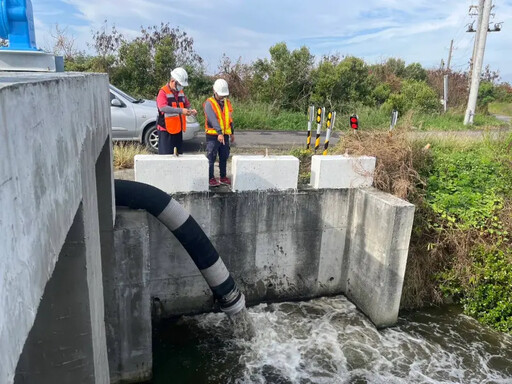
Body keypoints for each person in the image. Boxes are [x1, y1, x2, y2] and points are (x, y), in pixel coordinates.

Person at [156, 67, 197, 154]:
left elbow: (187, 104)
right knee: (166, 157)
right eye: (179, 84)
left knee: (178, 156)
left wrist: (191, 111)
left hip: (177, 129)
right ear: (173, 81)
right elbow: (162, 107)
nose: (181, 87)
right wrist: (181, 111)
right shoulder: (163, 92)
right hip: (165, 131)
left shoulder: (181, 92)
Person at [203, 78, 235, 187]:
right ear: (214, 91)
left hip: (225, 135)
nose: (222, 97)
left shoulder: (227, 103)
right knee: (211, 156)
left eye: (224, 95)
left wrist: (232, 133)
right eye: (220, 95)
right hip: (213, 135)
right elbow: (212, 119)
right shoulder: (209, 103)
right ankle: (210, 178)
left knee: (224, 156)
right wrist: (219, 133)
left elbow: (230, 119)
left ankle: (223, 177)